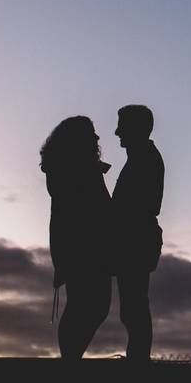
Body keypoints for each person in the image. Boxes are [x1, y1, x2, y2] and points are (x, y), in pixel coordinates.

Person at [40, 116, 113, 359]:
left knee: (88, 304)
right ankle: (70, 360)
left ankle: (71, 359)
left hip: (81, 245)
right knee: (90, 304)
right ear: (79, 140)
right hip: (84, 247)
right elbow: (89, 208)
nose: (97, 138)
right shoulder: (75, 169)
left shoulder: (72, 168)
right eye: (92, 134)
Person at [111, 104, 165, 361]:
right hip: (136, 239)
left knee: (134, 307)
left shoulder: (144, 158)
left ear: (136, 128)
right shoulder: (142, 156)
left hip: (135, 240)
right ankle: (137, 359)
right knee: (133, 306)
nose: (116, 132)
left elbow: (141, 205)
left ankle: (138, 362)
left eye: (122, 126)